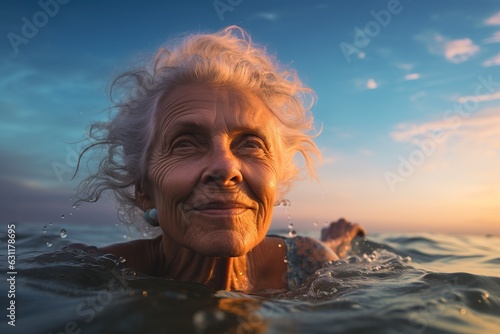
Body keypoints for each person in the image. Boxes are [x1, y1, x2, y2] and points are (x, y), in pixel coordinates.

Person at [74, 26, 365, 292]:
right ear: (144, 191)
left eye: (251, 145)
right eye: (185, 144)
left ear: (275, 179)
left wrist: (334, 244)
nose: (226, 168)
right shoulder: (99, 276)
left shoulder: (309, 262)